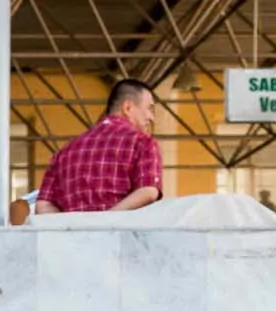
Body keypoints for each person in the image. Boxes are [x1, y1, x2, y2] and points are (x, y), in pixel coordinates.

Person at [11, 79, 164, 222]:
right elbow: (148, 191)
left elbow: (43, 205)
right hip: (123, 245)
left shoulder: (65, 152)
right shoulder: (143, 143)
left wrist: (75, 229)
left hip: (73, 247)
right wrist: (104, 222)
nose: (152, 118)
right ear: (127, 107)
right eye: (149, 108)